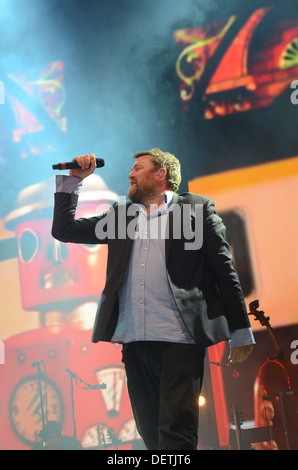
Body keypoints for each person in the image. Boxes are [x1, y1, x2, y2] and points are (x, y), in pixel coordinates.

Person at [52, 149, 254, 450]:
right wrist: (74, 182)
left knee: (176, 435)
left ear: (161, 174)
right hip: (135, 343)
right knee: (151, 436)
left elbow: (226, 271)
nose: (130, 174)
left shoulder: (196, 210)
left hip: (180, 340)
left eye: (138, 168)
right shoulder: (121, 216)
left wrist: (240, 331)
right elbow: (63, 230)